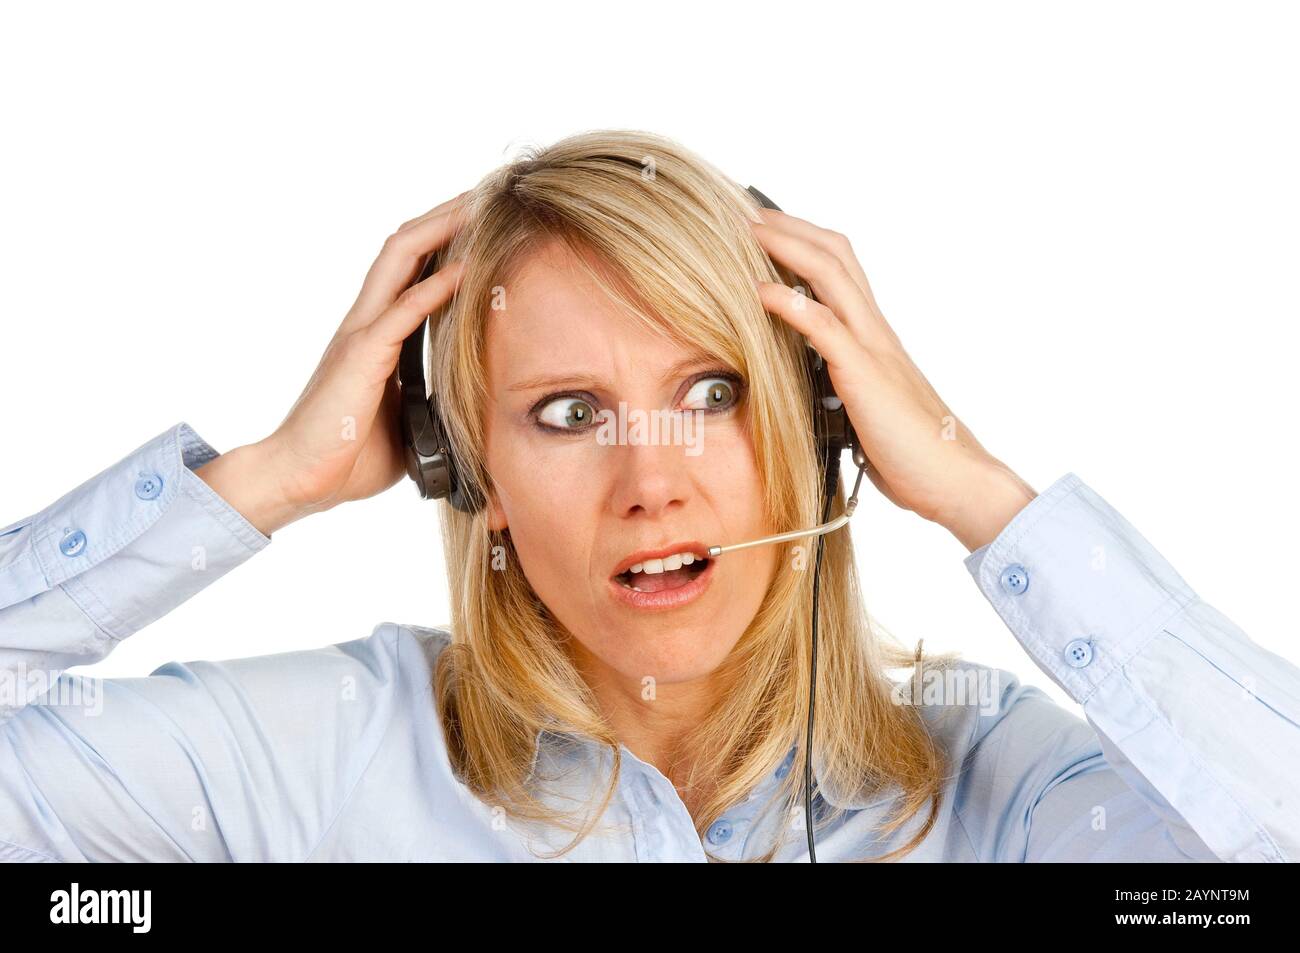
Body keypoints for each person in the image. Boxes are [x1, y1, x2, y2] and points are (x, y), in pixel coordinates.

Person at [1, 130, 1295, 862]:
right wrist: (266, 478)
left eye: (717, 391)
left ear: (824, 421)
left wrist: (978, 492)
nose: (651, 480)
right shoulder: (317, 753)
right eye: (566, 414)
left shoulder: (994, 787)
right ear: (470, 473)